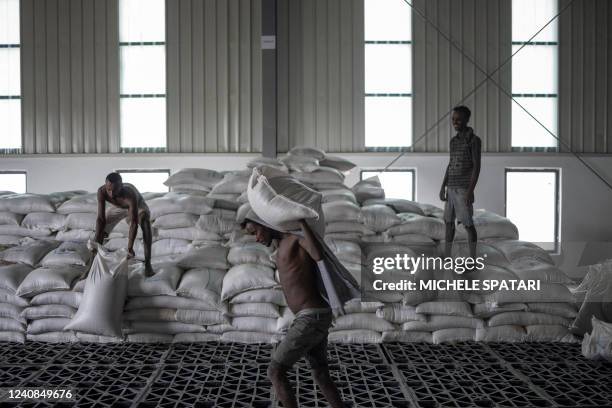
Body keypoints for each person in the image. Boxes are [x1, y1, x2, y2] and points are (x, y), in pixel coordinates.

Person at [243, 218, 345, 408]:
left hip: (311, 317)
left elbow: (317, 254)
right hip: (313, 316)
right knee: (320, 372)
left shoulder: (294, 239)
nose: (256, 238)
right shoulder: (281, 246)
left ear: (264, 223)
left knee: (275, 371)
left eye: (255, 231)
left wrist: (301, 221)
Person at [80, 172, 154, 280]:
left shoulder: (130, 194)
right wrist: (96, 241)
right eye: (109, 190)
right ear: (106, 185)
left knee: (145, 221)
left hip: (136, 206)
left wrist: (130, 247)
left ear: (121, 186)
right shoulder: (101, 191)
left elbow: (134, 223)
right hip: (118, 206)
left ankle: (148, 264)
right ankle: (91, 266)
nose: (111, 194)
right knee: (100, 230)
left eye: (114, 190)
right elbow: (100, 219)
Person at [439, 105, 482, 261]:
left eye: (458, 119)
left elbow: (477, 168)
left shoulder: (474, 141)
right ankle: (447, 256)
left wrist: (470, 192)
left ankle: (473, 259)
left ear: (466, 120)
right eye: (453, 119)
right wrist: (443, 186)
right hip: (451, 187)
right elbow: (450, 164)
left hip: (463, 189)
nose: (455, 122)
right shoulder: (453, 141)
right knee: (448, 222)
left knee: (468, 225)